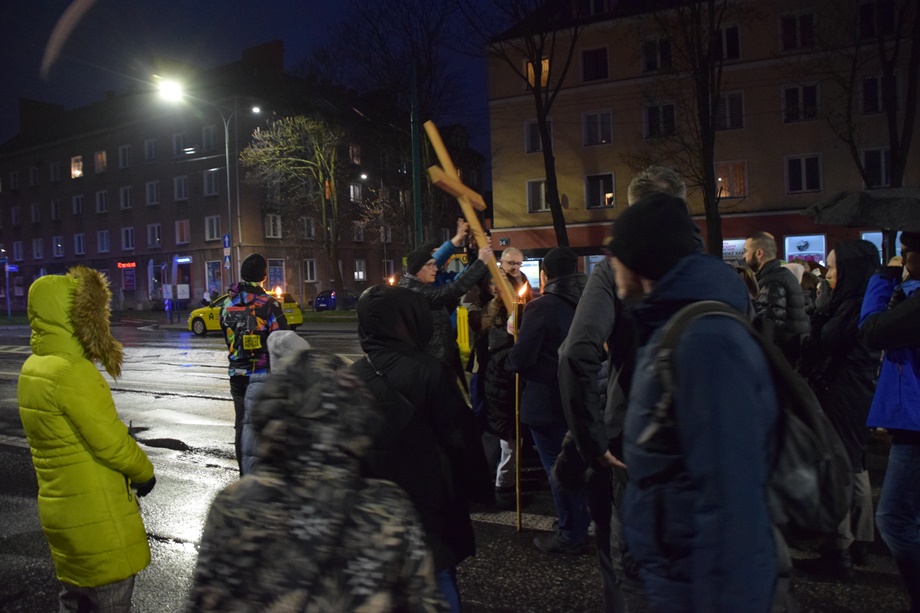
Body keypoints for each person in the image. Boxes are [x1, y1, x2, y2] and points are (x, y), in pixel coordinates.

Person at [186, 335, 446, 612]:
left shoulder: (236, 503)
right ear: (354, 416)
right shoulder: (386, 506)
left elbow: (207, 602)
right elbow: (423, 602)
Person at [609, 194, 779, 612]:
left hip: (693, 584)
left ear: (640, 258)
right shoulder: (671, 322)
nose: (611, 264)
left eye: (616, 253)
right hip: (672, 573)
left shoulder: (705, 340)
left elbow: (731, 500)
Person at [557, 164, 687, 613]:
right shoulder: (715, 273)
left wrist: (591, 439)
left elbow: (576, 353)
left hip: (632, 440)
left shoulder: (616, 270)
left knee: (628, 567)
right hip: (701, 443)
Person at [18, 266, 156, 612]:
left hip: (62, 512)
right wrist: (144, 472)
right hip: (97, 514)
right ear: (75, 315)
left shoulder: (34, 368)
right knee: (109, 597)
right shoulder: (72, 373)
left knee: (74, 598)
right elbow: (110, 442)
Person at [352, 285, 492, 612]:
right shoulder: (430, 372)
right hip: (429, 506)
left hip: (375, 511)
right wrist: (477, 491)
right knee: (438, 582)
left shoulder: (353, 375)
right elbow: (461, 439)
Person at [796, 240, 881, 579]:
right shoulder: (858, 299)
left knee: (841, 464)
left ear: (848, 271)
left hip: (844, 390)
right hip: (851, 388)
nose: (827, 274)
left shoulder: (853, 303)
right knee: (854, 462)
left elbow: (827, 340)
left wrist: (820, 307)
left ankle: (838, 548)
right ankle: (859, 538)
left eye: (832, 268)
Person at [508, 247, 591, 554]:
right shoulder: (590, 302)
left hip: (548, 403)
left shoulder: (541, 308)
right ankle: (578, 522)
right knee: (580, 466)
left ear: (545, 275)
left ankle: (570, 532)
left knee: (558, 468)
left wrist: (511, 352)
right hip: (583, 398)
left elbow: (522, 358)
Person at [859, 231, 920, 613]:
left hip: (915, 427)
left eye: (907, 251)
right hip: (909, 421)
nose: (903, 258)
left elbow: (872, 331)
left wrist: (882, 278)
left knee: (894, 518)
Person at [219, 253, 288, 475]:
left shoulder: (227, 304)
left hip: (237, 375)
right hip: (263, 375)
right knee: (265, 427)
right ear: (264, 276)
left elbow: (227, 335)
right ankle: (264, 476)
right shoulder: (269, 305)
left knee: (242, 425)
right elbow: (282, 340)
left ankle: (244, 473)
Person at [399, 240, 492, 388]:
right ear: (417, 269)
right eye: (430, 265)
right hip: (432, 365)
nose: (435, 269)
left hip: (438, 362)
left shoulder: (421, 288)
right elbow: (452, 290)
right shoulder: (415, 291)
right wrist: (481, 262)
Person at [743, 231, 810, 364]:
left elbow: (769, 326)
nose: (744, 256)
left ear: (759, 253)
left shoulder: (772, 282)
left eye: (746, 251)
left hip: (780, 358)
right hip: (790, 355)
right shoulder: (782, 275)